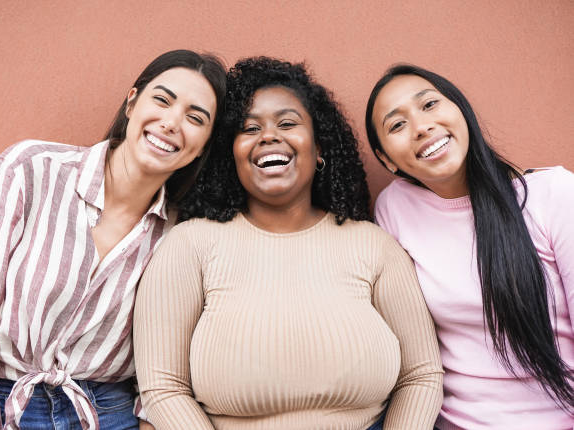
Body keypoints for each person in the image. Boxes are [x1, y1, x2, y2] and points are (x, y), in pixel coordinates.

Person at [134, 57, 443, 430]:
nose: (268, 136)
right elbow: (163, 388)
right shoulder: (190, 246)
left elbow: (421, 375)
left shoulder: (376, 248)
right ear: (231, 156)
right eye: (249, 128)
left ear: (319, 149)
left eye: (287, 123)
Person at [0, 49, 226, 430]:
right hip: (4, 399)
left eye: (195, 118)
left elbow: (173, 358)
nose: (171, 122)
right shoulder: (29, 170)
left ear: (203, 144)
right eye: (162, 100)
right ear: (132, 102)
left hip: (107, 412)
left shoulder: (181, 233)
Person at [365, 64, 574, 429]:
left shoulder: (553, 194)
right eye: (397, 125)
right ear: (386, 160)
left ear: (461, 110)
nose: (421, 127)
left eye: (429, 105)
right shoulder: (394, 209)